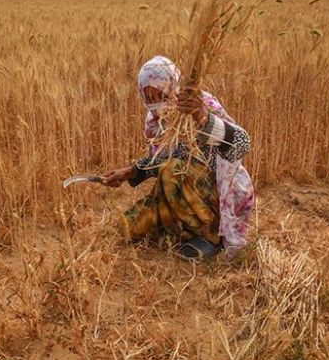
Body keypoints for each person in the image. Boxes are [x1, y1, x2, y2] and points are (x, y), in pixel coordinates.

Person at [103, 55, 255, 259]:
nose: (157, 105)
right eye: (150, 99)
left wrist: (201, 117)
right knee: (129, 227)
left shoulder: (201, 106)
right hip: (183, 190)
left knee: (172, 170)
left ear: (174, 87)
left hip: (218, 192)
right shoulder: (154, 122)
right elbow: (161, 157)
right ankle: (184, 231)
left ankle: (211, 237)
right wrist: (131, 171)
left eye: (163, 96)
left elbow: (241, 143)